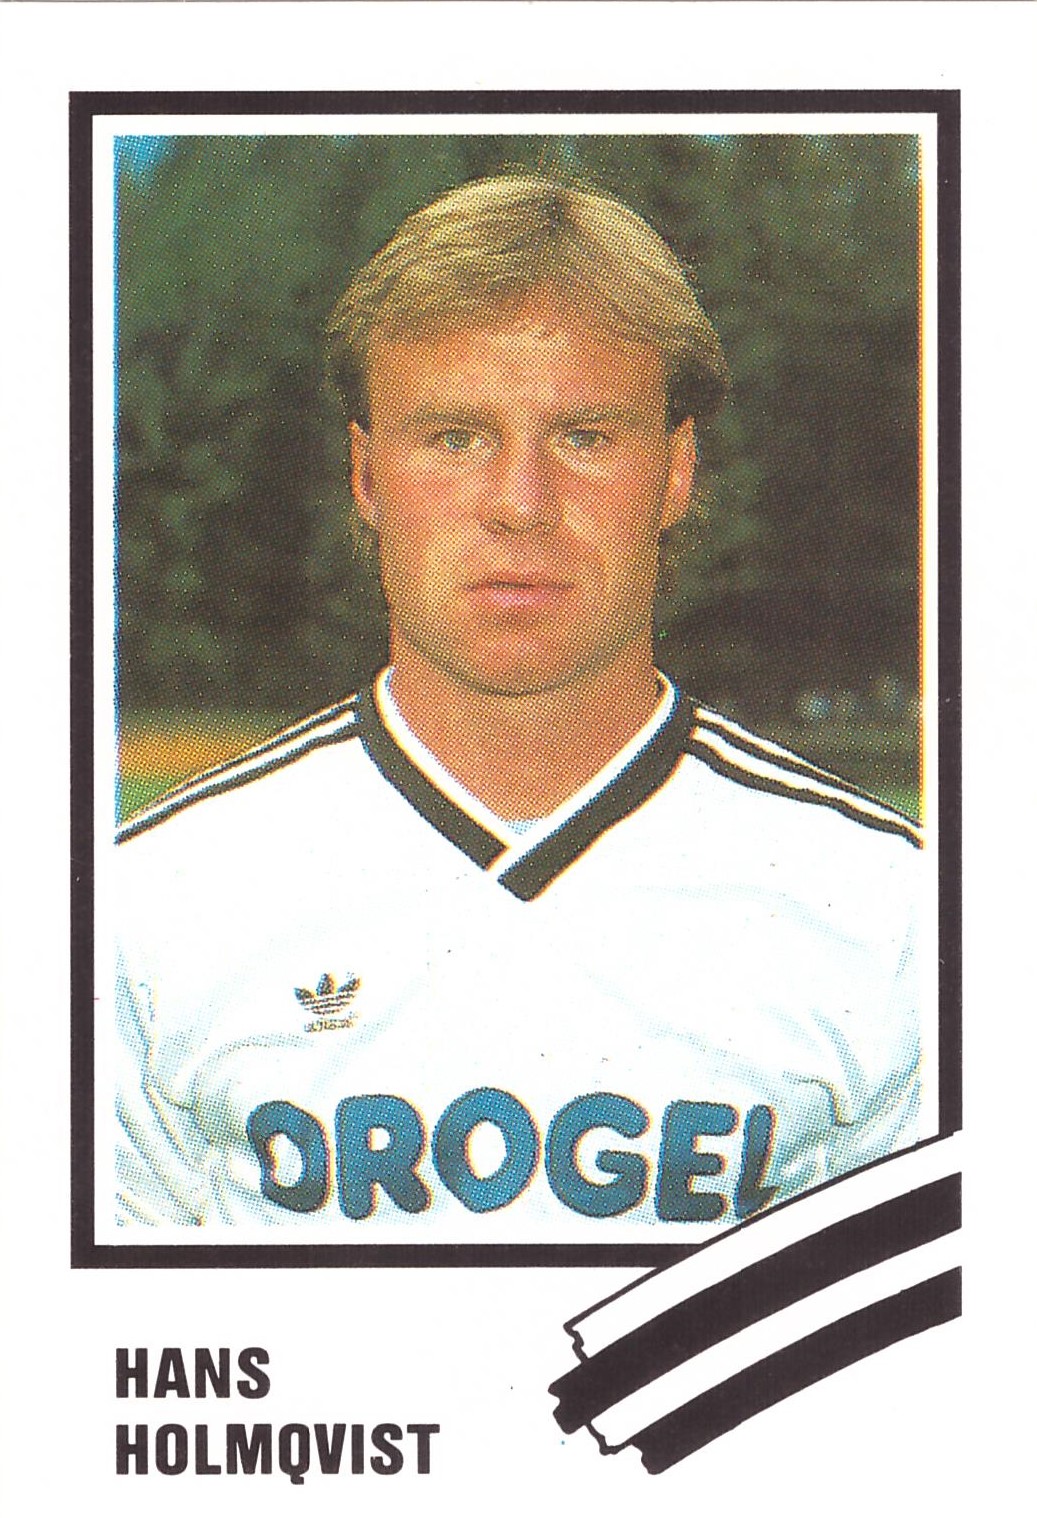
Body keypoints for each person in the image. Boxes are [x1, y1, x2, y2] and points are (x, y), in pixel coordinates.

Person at [113, 173, 925, 1241]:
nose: (519, 504)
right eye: (454, 437)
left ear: (674, 471)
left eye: (585, 436)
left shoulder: (895, 912)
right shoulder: (147, 904)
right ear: (367, 475)